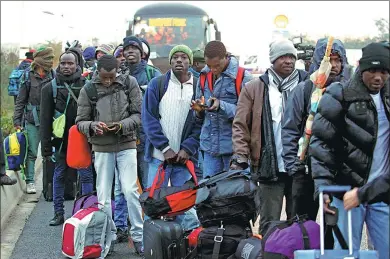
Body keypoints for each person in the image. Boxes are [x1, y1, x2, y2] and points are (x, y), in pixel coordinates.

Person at [310, 42, 389, 258]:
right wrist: (323, 189)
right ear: (361, 68)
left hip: (382, 193)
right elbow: (320, 144)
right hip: (345, 191)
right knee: (346, 253)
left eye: (384, 71)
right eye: (372, 70)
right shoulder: (339, 94)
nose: (378, 77)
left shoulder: (388, 99)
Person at [230, 39, 309, 235]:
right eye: (283, 56)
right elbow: (240, 125)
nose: (288, 61)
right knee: (269, 223)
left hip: (301, 166)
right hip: (269, 166)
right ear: (273, 60)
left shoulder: (308, 85)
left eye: (291, 56)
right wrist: (241, 155)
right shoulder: (254, 88)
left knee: (299, 222)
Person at [76, 55, 144, 256]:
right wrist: (92, 126)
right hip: (101, 146)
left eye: (111, 77)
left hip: (126, 143)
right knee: (104, 196)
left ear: (117, 71)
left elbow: (139, 115)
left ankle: (138, 237)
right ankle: (108, 237)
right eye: (104, 77)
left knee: (131, 191)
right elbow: (80, 121)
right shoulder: (88, 89)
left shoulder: (129, 83)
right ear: (97, 71)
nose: (107, 81)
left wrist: (122, 126)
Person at [281, 38, 348, 220]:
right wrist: (294, 167)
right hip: (305, 170)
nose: (333, 65)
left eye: (337, 60)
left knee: (333, 231)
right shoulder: (304, 90)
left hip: (338, 172)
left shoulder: (350, 92)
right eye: (328, 60)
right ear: (319, 62)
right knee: (301, 227)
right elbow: (290, 130)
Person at [142, 44, 201, 231]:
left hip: (184, 158)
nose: (179, 61)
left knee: (184, 204)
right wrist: (165, 148)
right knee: (153, 202)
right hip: (159, 157)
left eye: (184, 57)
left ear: (190, 62)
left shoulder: (199, 86)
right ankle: (150, 245)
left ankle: (184, 245)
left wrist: (187, 148)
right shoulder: (157, 84)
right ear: (170, 61)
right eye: (175, 57)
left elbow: (202, 122)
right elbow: (148, 119)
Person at [40, 51, 94, 226]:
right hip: (60, 141)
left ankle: (85, 214)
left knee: (85, 176)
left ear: (77, 65)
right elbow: (45, 119)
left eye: (70, 63)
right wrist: (46, 149)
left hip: (82, 140)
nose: (66, 66)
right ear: (59, 64)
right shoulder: (49, 88)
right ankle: (58, 213)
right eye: (63, 63)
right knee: (59, 175)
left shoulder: (87, 85)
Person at [192, 40, 252, 178]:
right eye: (209, 65)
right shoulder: (203, 76)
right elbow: (199, 119)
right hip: (209, 150)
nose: (213, 69)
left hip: (235, 150)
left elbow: (249, 115)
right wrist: (199, 110)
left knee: (235, 195)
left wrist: (221, 106)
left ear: (226, 57)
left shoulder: (243, 77)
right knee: (209, 194)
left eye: (217, 65)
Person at [13, 46, 55, 194]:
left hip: (50, 119)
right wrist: (17, 120)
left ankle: (50, 182)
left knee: (50, 152)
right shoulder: (27, 76)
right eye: (47, 58)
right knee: (31, 152)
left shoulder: (53, 75)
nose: (50, 61)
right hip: (32, 120)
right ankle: (30, 181)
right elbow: (21, 100)